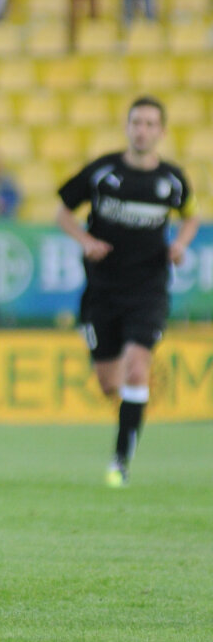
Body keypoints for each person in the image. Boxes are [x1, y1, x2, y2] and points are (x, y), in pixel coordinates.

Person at [56, 96, 198, 488]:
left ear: (162, 132)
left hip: (148, 290)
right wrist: (85, 240)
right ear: (127, 127)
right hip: (102, 290)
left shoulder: (171, 180)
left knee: (138, 367)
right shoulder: (103, 171)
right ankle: (128, 417)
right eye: (137, 122)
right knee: (108, 384)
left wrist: (181, 244)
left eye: (151, 124)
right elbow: (61, 211)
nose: (143, 130)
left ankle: (120, 462)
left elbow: (193, 214)